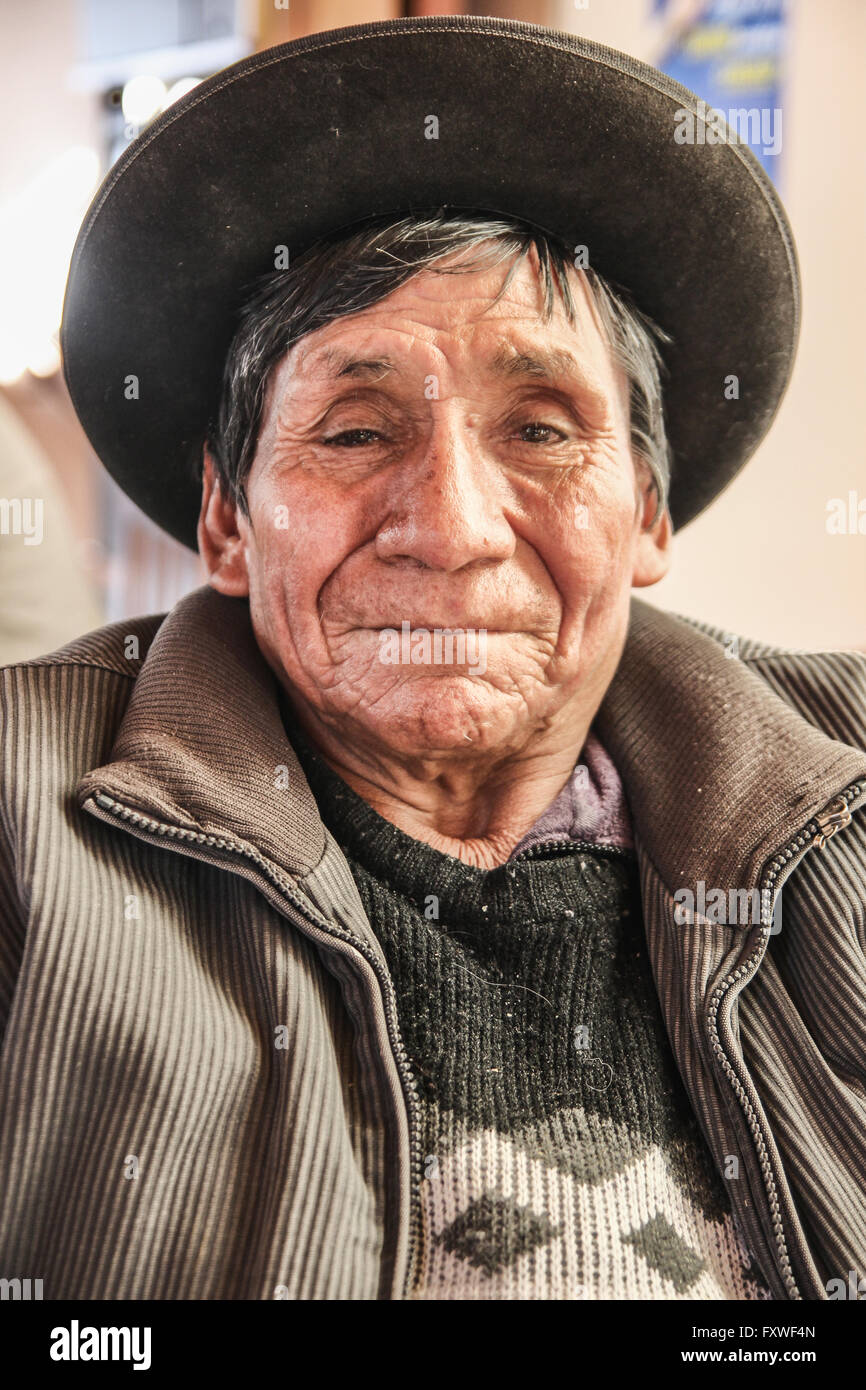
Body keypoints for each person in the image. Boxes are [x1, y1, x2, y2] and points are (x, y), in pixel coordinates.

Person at [1, 16, 864, 1302]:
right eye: (352, 432)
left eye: (539, 425)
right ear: (227, 520)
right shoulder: (25, 822)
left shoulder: (841, 796)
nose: (452, 530)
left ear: (647, 515)